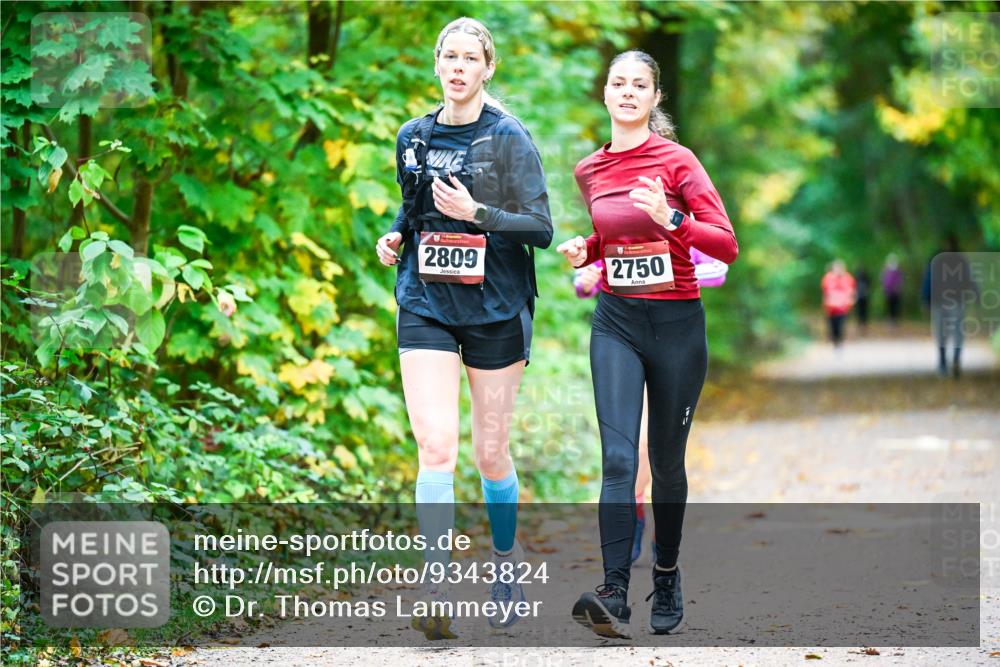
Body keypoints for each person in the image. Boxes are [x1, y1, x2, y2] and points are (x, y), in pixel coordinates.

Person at [374, 17, 553, 639]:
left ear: (487, 69)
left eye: (469, 58)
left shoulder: (508, 138)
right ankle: (437, 582)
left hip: (497, 307)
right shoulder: (412, 137)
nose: (456, 66)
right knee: (435, 446)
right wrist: (398, 232)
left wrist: (478, 214)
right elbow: (414, 203)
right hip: (425, 299)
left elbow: (541, 229)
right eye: (448, 56)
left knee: (490, 452)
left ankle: (506, 564)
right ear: (436, 65)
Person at [557, 50, 738, 638]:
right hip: (615, 322)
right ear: (604, 94)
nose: (628, 92)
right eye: (618, 83)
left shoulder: (678, 162)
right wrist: (589, 248)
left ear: (655, 98)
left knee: (665, 462)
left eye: (640, 85)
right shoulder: (590, 170)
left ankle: (665, 572)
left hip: (677, 327)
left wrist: (674, 219)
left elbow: (726, 244)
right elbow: (616, 235)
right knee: (617, 459)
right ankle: (614, 591)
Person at [573, 246, 728, 566]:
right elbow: (584, 279)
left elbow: (718, 269)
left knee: (665, 453)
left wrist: (673, 276)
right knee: (636, 442)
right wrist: (588, 278)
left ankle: (664, 535)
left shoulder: (680, 220)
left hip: (675, 340)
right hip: (626, 339)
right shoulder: (619, 219)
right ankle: (635, 512)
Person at [821, 260, 856, 349]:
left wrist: (850, 300)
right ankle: (835, 341)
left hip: (843, 308)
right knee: (833, 326)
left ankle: (839, 342)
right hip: (831, 307)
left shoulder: (848, 278)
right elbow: (825, 291)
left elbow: (851, 290)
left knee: (841, 325)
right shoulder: (828, 278)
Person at [881, 254, 904, 327]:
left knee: (895, 307)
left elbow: (900, 281)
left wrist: (898, 288)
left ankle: (894, 320)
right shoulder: (886, 271)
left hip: (895, 293)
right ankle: (891, 320)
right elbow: (884, 281)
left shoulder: (897, 271)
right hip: (889, 293)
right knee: (890, 307)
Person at [854, 267, 871, 333]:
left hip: (861, 296)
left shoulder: (857, 278)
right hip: (863, 296)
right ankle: (862, 323)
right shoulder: (865, 278)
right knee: (863, 311)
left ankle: (862, 323)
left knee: (861, 311)